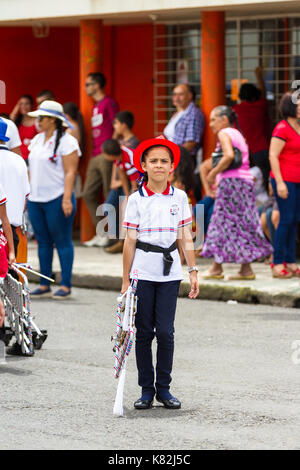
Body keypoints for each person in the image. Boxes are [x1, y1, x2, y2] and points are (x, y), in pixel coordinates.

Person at [122, 137, 199, 410]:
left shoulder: (179, 197)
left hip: (169, 275)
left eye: (164, 161)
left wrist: (192, 271)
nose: (158, 165)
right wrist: (125, 281)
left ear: (172, 167)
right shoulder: (135, 200)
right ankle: (146, 390)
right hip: (142, 272)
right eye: (153, 161)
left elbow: (185, 238)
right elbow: (130, 241)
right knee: (143, 333)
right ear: (143, 165)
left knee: (165, 332)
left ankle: (164, 389)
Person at [201, 106, 273, 280]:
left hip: (231, 184)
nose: (210, 124)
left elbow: (228, 156)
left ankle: (216, 268)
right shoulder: (238, 134)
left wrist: (212, 173)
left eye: (213, 119)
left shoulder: (224, 133)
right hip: (243, 184)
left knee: (220, 222)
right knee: (240, 223)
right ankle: (245, 269)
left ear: (224, 119)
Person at [27, 100, 81, 299]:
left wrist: (67, 199)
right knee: (43, 241)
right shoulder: (37, 139)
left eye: (41, 117)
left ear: (53, 120)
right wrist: (27, 194)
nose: (38, 121)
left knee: (62, 240)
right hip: (35, 198)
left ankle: (65, 284)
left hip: (57, 198)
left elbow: (70, 172)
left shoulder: (68, 141)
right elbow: (31, 169)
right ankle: (44, 283)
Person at [82, 72, 119, 247]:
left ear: (97, 85)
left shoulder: (109, 103)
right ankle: (101, 231)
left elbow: (116, 126)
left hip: (107, 153)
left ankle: (113, 235)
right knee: (88, 193)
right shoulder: (95, 106)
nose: (86, 88)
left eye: (88, 84)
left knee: (108, 193)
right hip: (95, 154)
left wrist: (112, 149)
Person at [269, 92, 300, 278]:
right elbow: (273, 155)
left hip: (297, 181)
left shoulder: (297, 127)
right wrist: (279, 182)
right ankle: (277, 262)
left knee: (295, 220)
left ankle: (289, 261)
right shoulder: (282, 128)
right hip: (284, 180)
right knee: (286, 220)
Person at [233, 67, 270, 182]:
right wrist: (259, 76)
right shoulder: (260, 106)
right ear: (255, 96)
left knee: (247, 182)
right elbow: (263, 94)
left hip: (244, 152)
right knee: (265, 180)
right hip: (262, 149)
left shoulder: (235, 110)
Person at [9, 94, 38, 161]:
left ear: (32, 105)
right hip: (18, 157)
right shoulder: (17, 121)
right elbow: (9, 122)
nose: (24, 106)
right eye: (21, 104)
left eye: (26, 104)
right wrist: (17, 108)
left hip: (32, 157)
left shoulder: (37, 121)